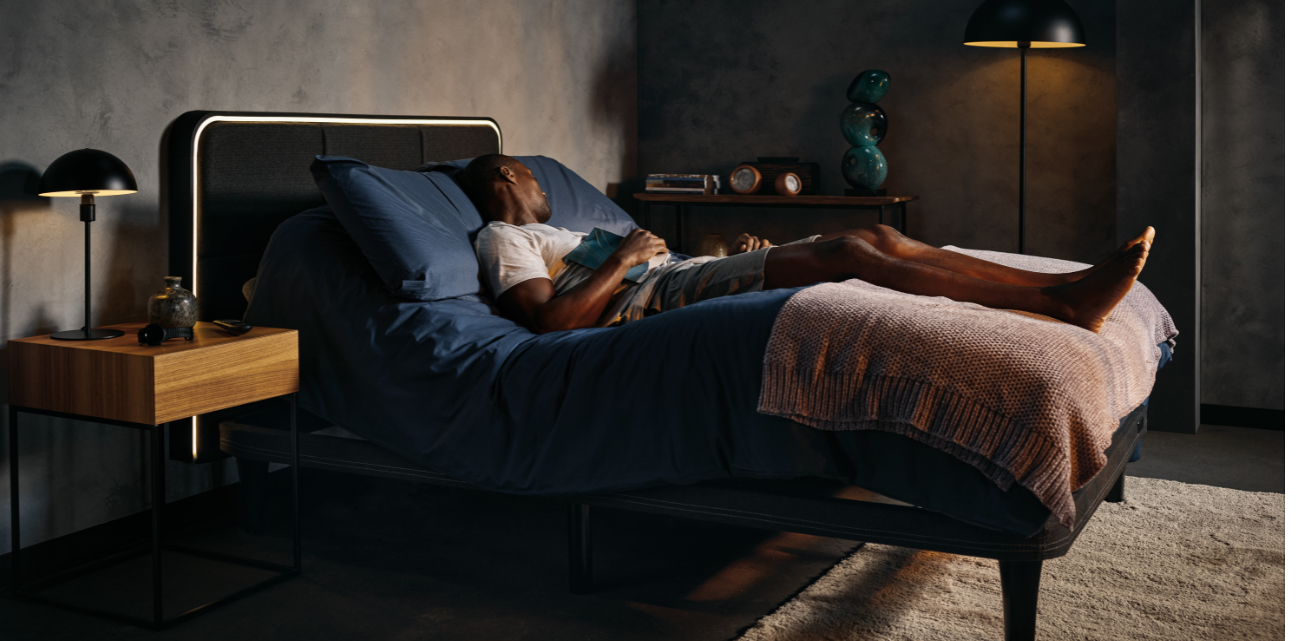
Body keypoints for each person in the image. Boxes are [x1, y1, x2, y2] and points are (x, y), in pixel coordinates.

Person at [461, 154, 1152, 335]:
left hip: (680, 275)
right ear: (509, 175)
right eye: (536, 178)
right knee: (849, 255)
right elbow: (551, 323)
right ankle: (1062, 303)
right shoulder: (503, 236)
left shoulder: (552, 230)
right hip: (660, 297)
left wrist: (727, 253)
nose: (548, 190)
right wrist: (625, 255)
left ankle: (1062, 290)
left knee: (877, 233)